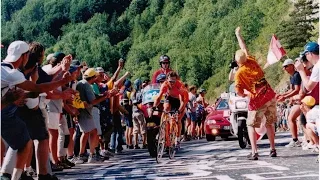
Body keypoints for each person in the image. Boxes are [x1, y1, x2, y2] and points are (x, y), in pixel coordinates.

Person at [233, 27, 277, 160]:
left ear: (236, 62)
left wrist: (245, 95)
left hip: (257, 99)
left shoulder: (239, 73)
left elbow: (238, 91)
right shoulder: (251, 60)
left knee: (251, 124)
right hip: (270, 94)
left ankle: (254, 152)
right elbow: (244, 47)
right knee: (269, 123)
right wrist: (238, 35)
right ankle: (273, 149)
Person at [153, 71, 189, 148]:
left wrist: (179, 110)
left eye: (173, 81)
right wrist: (154, 106)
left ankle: (178, 138)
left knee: (177, 119)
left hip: (179, 100)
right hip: (169, 98)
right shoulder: (164, 85)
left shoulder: (180, 86)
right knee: (165, 109)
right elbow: (159, 97)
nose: (172, 83)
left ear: (176, 80)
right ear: (167, 80)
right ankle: (162, 130)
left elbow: (183, 101)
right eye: (170, 81)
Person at [276, 59, 302, 147]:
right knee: (301, 120)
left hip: (301, 100)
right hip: (298, 100)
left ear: (291, 65)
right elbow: (292, 89)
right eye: (283, 67)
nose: (284, 68)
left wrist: (285, 97)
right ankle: (304, 140)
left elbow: (297, 90)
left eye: (286, 66)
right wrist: (282, 94)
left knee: (291, 118)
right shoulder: (292, 76)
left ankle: (295, 140)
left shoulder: (296, 75)